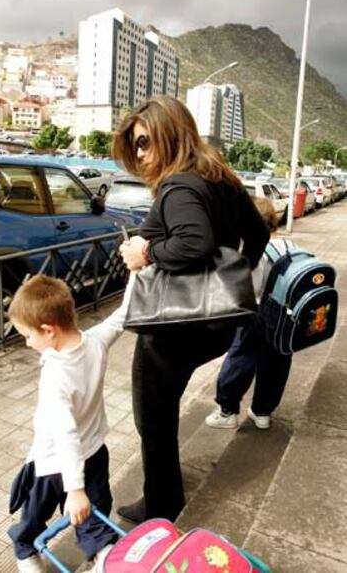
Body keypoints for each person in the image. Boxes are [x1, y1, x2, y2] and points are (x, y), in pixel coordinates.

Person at [113, 95, 270, 524]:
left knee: (153, 416)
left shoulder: (179, 184)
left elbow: (191, 243)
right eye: (136, 145)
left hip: (172, 329)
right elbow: (257, 235)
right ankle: (165, 489)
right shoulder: (221, 178)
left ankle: (161, 504)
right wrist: (232, 275)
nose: (140, 153)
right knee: (163, 410)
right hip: (215, 326)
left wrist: (147, 255)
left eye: (144, 142)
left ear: (169, 133)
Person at [7, 274, 133, 573]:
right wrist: (138, 275)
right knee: (39, 513)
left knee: (90, 506)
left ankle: (102, 553)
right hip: (71, 456)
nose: (27, 343)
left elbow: (66, 435)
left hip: (60, 460)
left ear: (48, 330)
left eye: (26, 335)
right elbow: (123, 315)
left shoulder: (55, 376)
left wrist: (74, 489)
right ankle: (25, 549)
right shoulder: (95, 340)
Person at [205, 197, 293, 431]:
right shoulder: (291, 246)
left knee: (240, 359)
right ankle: (262, 412)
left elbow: (250, 290)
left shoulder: (258, 252)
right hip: (286, 318)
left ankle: (227, 411)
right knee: (276, 364)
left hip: (257, 316)